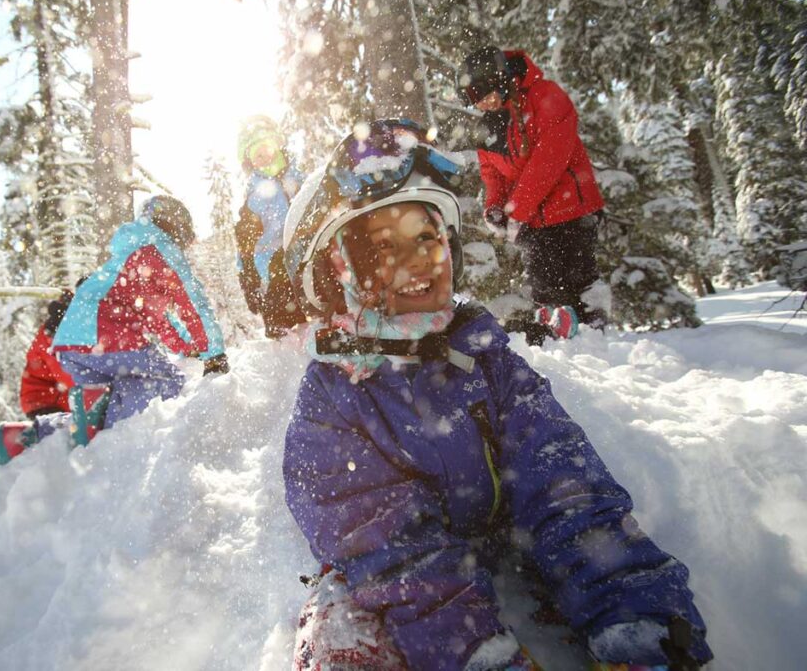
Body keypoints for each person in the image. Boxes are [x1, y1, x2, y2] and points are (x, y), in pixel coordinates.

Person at [281, 119, 712, 670]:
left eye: (426, 238)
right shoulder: (332, 400)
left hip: (503, 536)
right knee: (340, 636)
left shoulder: (487, 359)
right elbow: (390, 555)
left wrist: (636, 621)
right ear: (337, 275)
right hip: (399, 585)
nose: (416, 263)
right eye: (382, 249)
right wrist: (477, 656)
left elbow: (566, 488)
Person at [458, 46, 610, 345]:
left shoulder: (546, 97)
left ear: (501, 79)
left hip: (571, 210)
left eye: (486, 95)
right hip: (531, 220)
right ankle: (556, 329)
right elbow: (492, 173)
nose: (484, 105)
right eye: (477, 101)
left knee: (577, 276)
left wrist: (517, 212)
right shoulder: (490, 124)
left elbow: (548, 163)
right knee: (543, 281)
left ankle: (594, 334)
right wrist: (495, 207)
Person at [49, 195, 229, 446]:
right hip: (107, 334)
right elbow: (192, 300)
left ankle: (46, 432)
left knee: (98, 409)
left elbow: (161, 323)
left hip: (72, 346)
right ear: (176, 226)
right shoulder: (160, 247)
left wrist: (190, 347)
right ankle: (104, 423)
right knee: (170, 384)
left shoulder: (131, 253)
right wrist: (214, 352)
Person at [235, 115, 307, 337]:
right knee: (281, 289)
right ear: (250, 163)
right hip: (274, 260)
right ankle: (282, 337)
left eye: (266, 148)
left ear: (277, 145)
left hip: (307, 252)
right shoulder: (254, 199)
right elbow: (245, 242)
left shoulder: (301, 180)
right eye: (257, 155)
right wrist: (248, 278)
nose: (264, 157)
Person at [19, 287, 77, 419]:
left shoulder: (72, 328)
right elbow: (70, 376)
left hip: (61, 400)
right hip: (46, 403)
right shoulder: (55, 333)